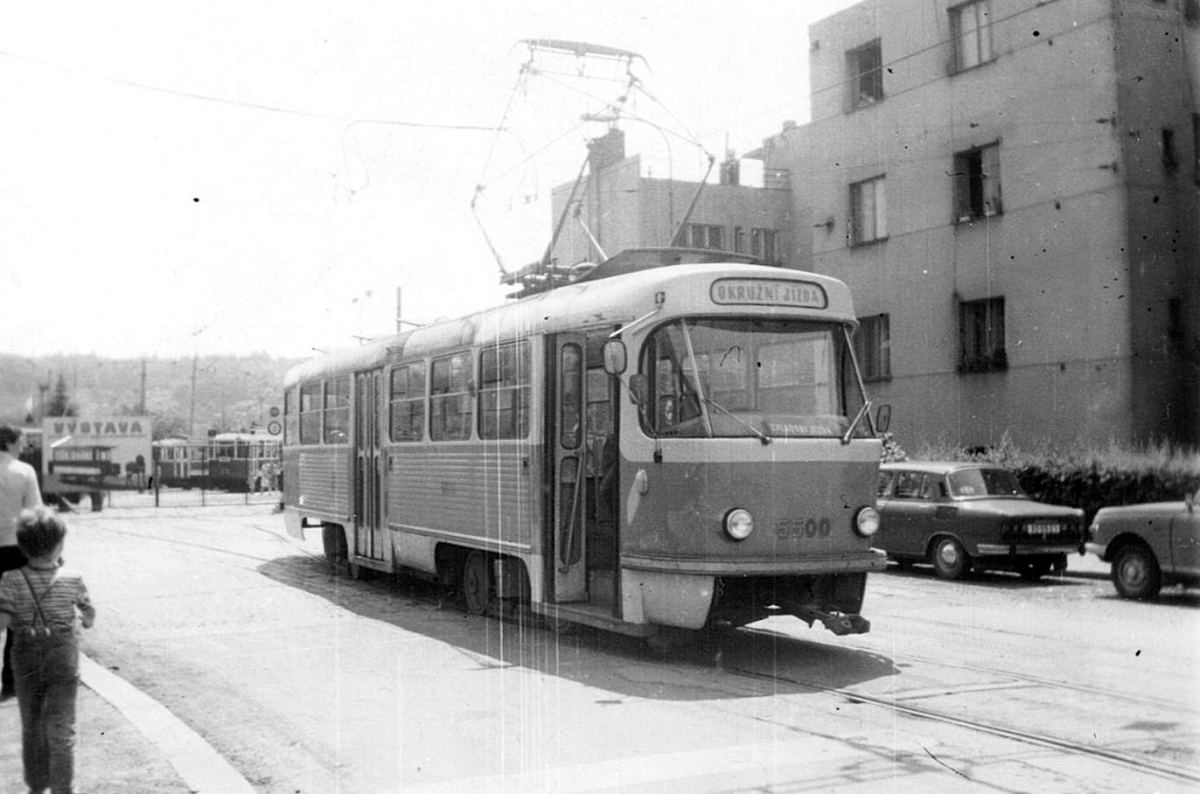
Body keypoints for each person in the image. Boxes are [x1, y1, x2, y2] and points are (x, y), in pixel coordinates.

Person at [0, 507, 94, 794]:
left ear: (23, 546)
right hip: (63, 658)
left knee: (32, 724)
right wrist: (85, 619)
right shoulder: (73, 578)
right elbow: (88, 614)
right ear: (59, 545)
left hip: (26, 657)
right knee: (62, 727)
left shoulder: (10, 579)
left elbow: (3, 623)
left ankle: (37, 786)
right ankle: (64, 789)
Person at [1, 423, 43, 700]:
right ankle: (11, 680)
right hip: (15, 550)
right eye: (21, 441)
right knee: (17, 615)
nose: (22, 446)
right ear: (11, 443)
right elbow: (35, 514)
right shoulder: (24, 472)